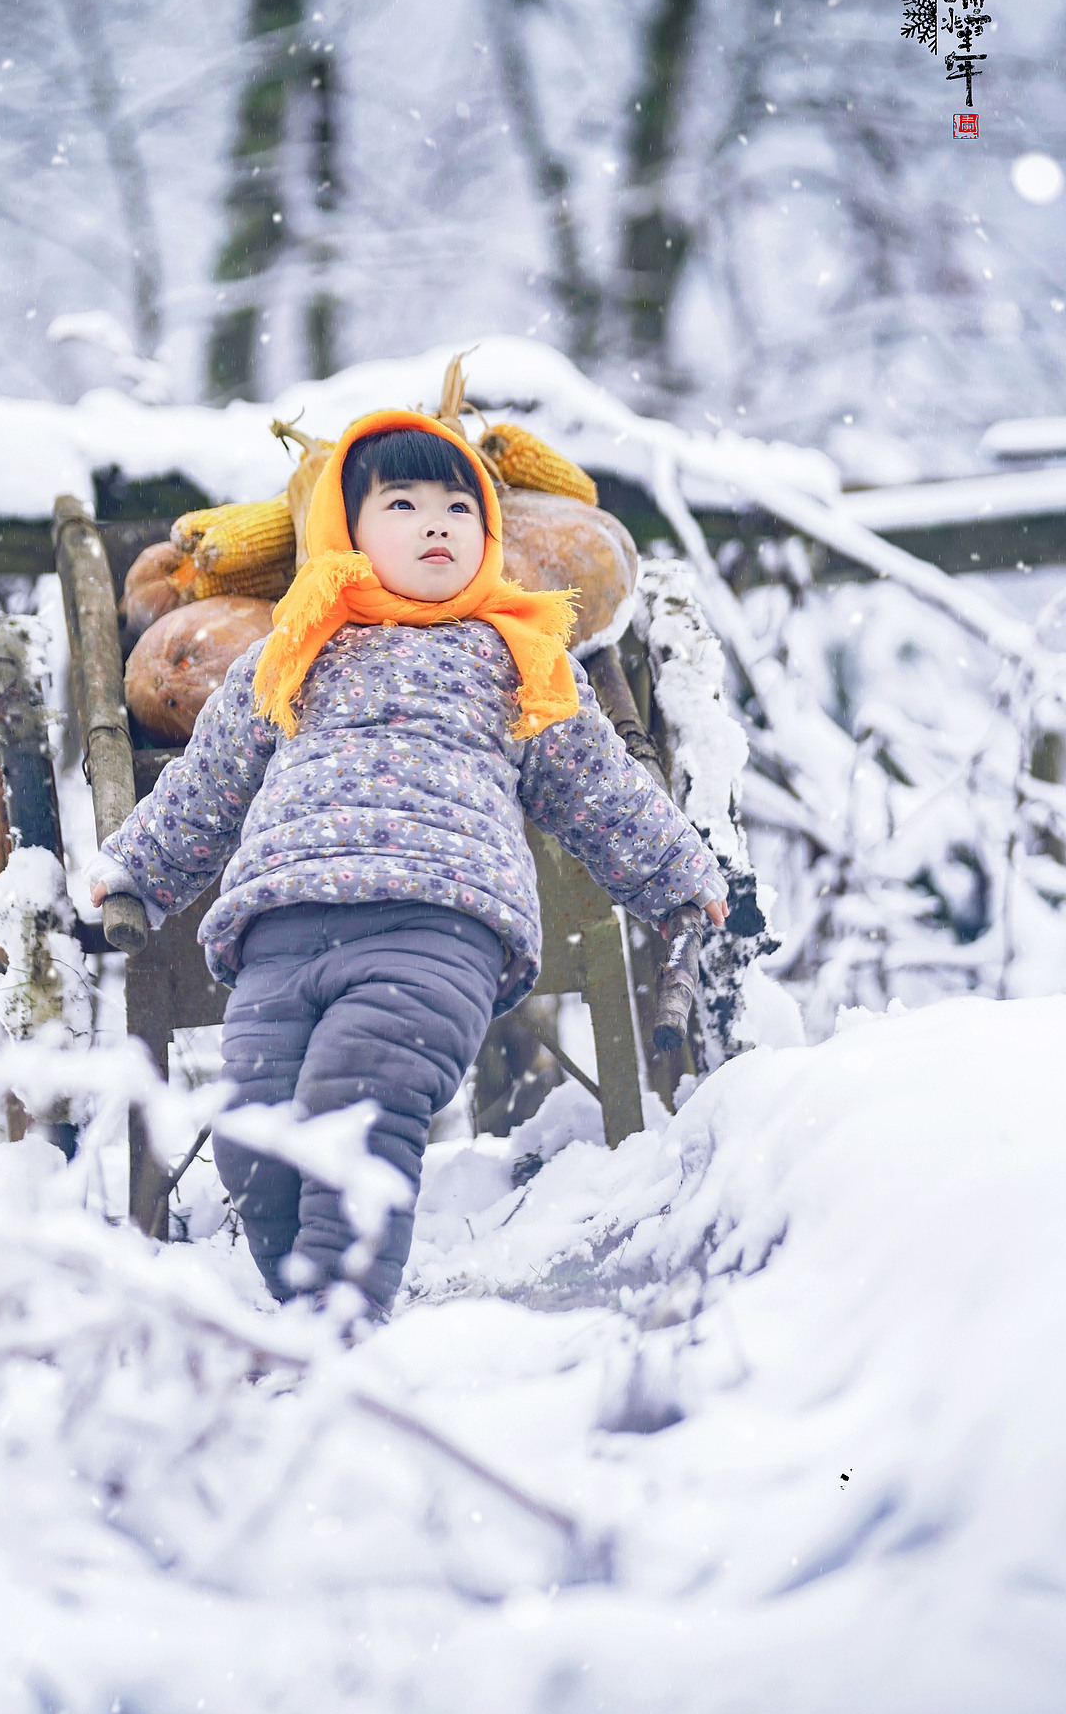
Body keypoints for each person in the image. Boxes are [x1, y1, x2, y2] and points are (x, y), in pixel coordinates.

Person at [90, 408, 728, 1317]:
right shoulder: (294, 649)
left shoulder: (517, 655)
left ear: (489, 533)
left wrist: (677, 875)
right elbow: (210, 781)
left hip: (436, 921)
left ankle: (341, 1324)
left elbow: (600, 784)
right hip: (280, 929)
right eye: (403, 503)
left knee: (359, 1095)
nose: (436, 523)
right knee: (255, 1137)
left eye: (459, 506)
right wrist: (137, 867)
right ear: (345, 533)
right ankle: (309, 1319)